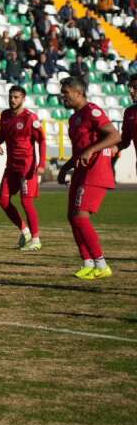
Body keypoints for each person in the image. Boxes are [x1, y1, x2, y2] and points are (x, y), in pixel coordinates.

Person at [56, 77, 121, 280]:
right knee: (72, 217)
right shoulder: (74, 119)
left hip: (96, 170)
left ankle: (101, 264)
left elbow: (114, 136)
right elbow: (79, 151)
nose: (62, 96)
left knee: (80, 217)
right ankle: (88, 263)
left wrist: (92, 149)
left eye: (65, 93)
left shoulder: (93, 111)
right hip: (80, 171)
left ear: (78, 93)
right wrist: (64, 168)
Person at [0, 86, 46, 252]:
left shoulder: (31, 118)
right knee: (3, 201)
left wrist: (42, 164)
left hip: (26, 167)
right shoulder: (5, 115)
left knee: (26, 201)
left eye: (16, 97)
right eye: (11, 97)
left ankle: (36, 240)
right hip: (11, 166)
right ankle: (25, 232)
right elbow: (3, 134)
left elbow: (42, 141)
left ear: (23, 98)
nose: (12, 100)